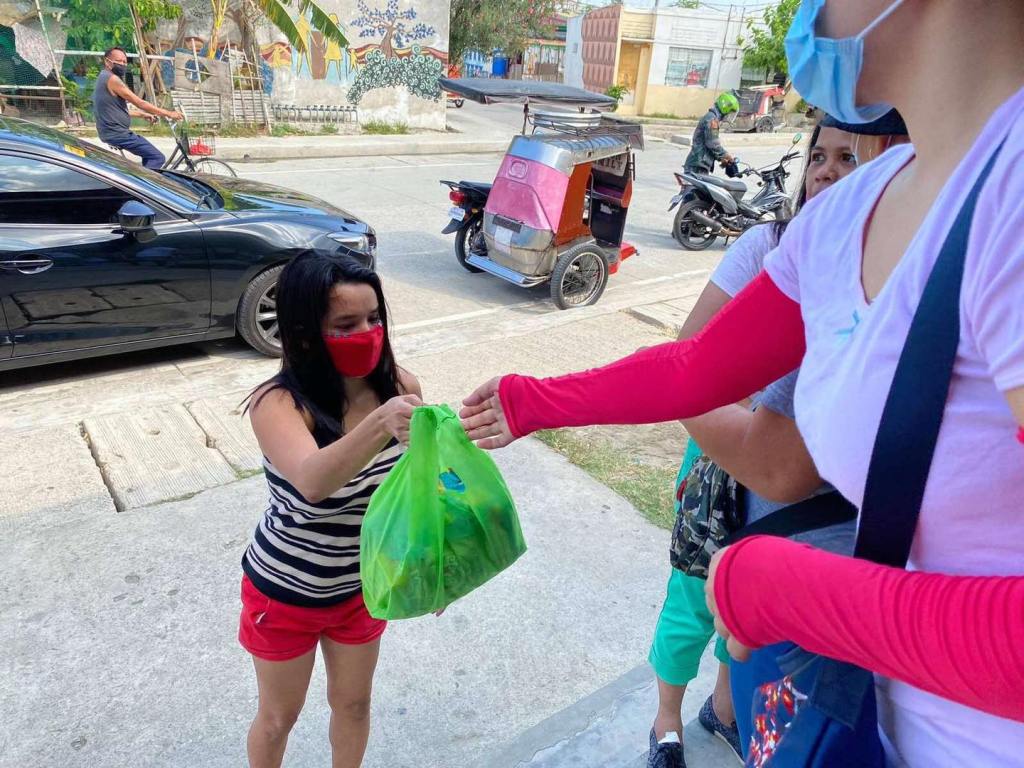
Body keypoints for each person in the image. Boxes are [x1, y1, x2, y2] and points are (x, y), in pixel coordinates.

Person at [461, 1, 1024, 764]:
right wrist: (532, 401)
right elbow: (698, 367)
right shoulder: (858, 205)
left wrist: (799, 592)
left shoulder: (1011, 197)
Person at [647, 118, 872, 768]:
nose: (827, 169)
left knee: (751, 612)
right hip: (729, 459)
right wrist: (748, 420)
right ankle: (666, 722)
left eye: (849, 158)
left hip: (818, 493)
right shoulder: (769, 243)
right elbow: (688, 353)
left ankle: (724, 710)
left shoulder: (885, 266)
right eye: (819, 155)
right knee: (694, 597)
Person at [241, 252, 422, 768]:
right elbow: (313, 482)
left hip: (360, 589)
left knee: (355, 705)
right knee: (279, 718)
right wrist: (380, 423)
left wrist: (428, 567)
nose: (367, 333)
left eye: (374, 318)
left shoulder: (401, 389)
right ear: (303, 334)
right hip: (285, 593)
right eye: (346, 325)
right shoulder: (278, 404)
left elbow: (412, 489)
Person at [93, 46, 183, 170]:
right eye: (118, 61)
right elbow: (140, 103)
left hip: (110, 132)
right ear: (107, 62)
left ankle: (144, 175)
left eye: (125, 62)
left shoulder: (103, 77)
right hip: (117, 134)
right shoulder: (112, 80)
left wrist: (142, 114)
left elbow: (115, 110)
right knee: (157, 158)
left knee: (148, 156)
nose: (122, 64)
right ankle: (145, 182)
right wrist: (169, 113)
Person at [683, 92, 738, 175]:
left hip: (698, 162)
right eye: (730, 112)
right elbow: (713, 144)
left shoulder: (711, 117)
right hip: (698, 165)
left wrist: (723, 159)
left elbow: (709, 145)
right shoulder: (712, 120)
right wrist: (726, 156)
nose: (729, 115)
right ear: (725, 109)